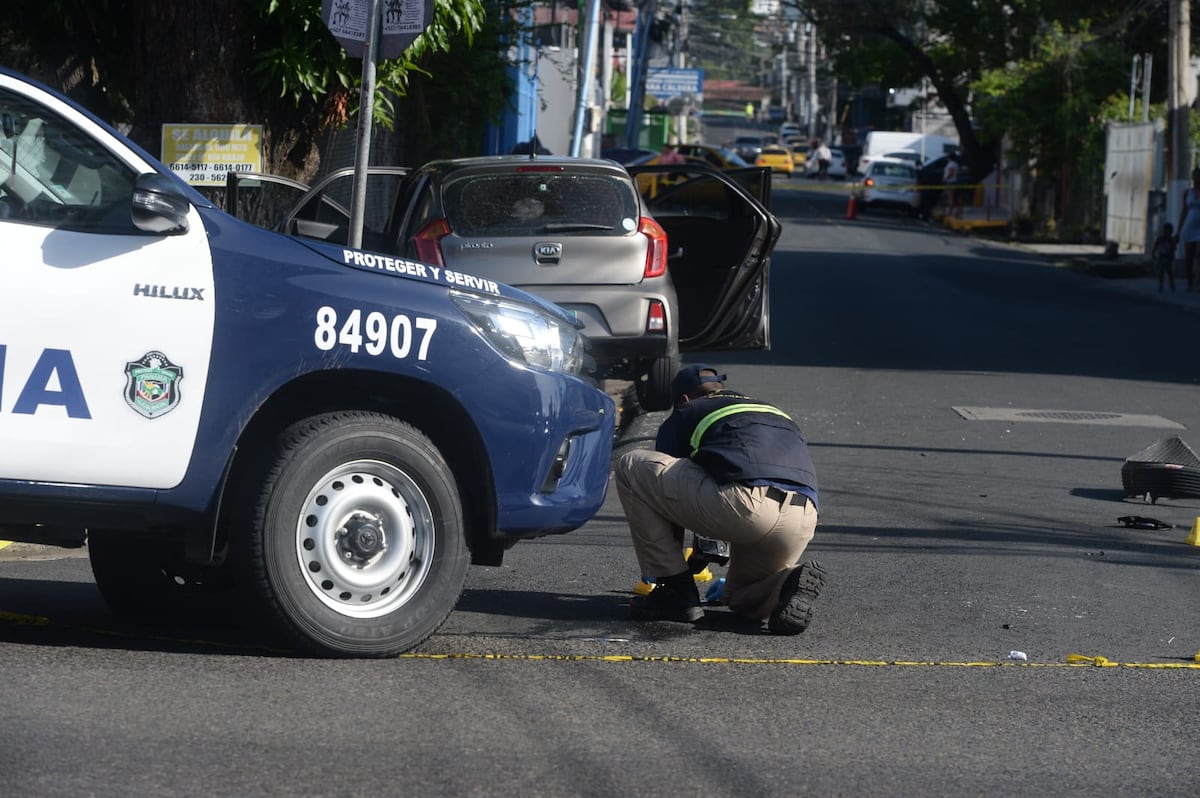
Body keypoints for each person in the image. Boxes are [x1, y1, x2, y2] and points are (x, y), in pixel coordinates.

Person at [613, 365, 826, 635]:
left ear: (684, 399)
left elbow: (663, 500)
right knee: (741, 597)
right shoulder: (768, 410)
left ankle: (674, 593)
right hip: (803, 517)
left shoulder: (687, 412)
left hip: (744, 506)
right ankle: (787, 582)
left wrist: (672, 575)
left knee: (632, 466)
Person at [1176, 167, 1200, 291]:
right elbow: (1184, 211)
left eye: (1198, 176)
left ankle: (1198, 281)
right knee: (1189, 257)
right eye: (1195, 176)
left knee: (1198, 254)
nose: (1196, 179)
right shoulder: (1187, 193)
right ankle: (1189, 281)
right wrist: (1178, 231)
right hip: (1189, 227)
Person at [1150, 222, 1177, 293]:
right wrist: (1153, 253)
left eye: (1169, 231)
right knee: (1161, 272)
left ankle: (1171, 283)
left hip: (1168, 257)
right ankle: (1161, 285)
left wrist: (1172, 256)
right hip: (1161, 257)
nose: (1167, 233)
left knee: (1169, 272)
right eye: (1166, 231)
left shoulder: (1171, 240)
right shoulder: (1160, 239)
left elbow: (1174, 248)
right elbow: (1155, 246)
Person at [942, 154, 963, 218]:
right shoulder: (956, 164)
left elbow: (950, 173)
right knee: (956, 198)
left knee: (950, 198)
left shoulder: (951, 164)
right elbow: (957, 173)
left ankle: (950, 213)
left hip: (950, 182)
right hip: (955, 181)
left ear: (949, 158)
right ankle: (958, 213)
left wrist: (945, 179)